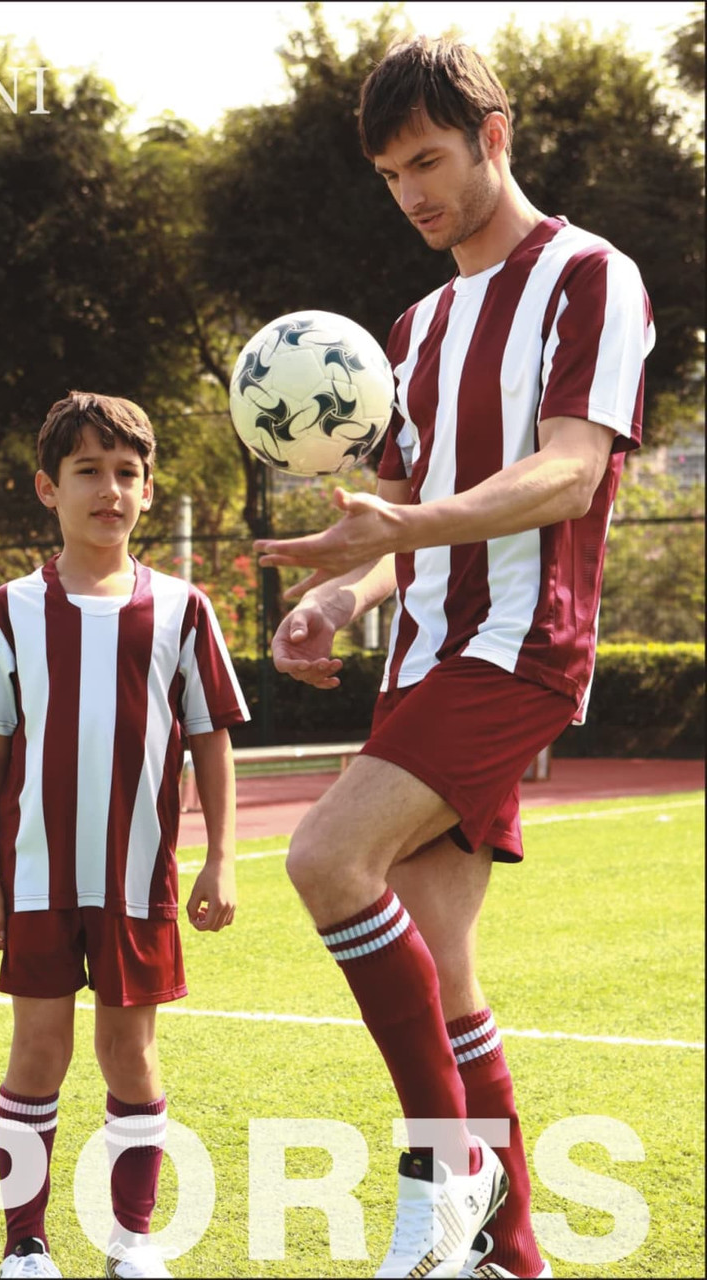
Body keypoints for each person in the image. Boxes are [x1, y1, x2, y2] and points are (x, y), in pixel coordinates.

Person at [255, 35, 654, 1280]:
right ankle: (511, 1254)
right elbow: (392, 524)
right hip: (427, 654)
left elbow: (571, 469)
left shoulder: (592, 277)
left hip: (520, 647)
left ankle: (449, 1163)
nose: (412, 191)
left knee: (324, 854)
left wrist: (410, 527)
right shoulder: (410, 330)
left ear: (497, 134)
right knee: (446, 965)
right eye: (389, 174)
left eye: (428, 159)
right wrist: (340, 593)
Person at [0, 391, 249, 1280]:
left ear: (150, 491)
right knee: (37, 1051)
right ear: (48, 489)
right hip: (40, 878)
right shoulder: (9, 608)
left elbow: (210, 739)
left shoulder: (182, 608)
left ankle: (133, 1242)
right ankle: (26, 1247)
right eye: (88, 471)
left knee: (130, 1052)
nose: (110, 490)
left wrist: (223, 857)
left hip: (139, 880)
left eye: (127, 473)